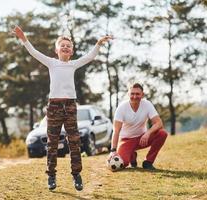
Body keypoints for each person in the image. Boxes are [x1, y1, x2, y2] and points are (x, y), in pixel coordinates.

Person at [12, 25, 112, 191]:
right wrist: (23, 39)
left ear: (71, 51)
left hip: (71, 106)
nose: (65, 47)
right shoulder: (51, 63)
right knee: (52, 143)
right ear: (56, 50)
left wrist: (99, 44)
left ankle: (76, 175)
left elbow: (89, 57)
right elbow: (34, 52)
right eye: (62, 46)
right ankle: (51, 175)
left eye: (68, 46)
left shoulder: (73, 64)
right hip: (54, 106)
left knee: (74, 141)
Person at [109, 83, 167, 170]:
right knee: (122, 164)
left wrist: (148, 133)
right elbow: (116, 131)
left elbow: (159, 123)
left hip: (142, 138)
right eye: (132, 94)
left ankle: (148, 162)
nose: (134, 96)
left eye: (137, 94)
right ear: (128, 94)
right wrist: (113, 151)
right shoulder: (121, 108)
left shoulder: (147, 104)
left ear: (142, 95)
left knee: (162, 133)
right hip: (126, 140)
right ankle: (132, 155)